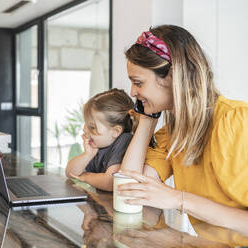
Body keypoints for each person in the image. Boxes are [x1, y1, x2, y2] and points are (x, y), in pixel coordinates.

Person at [117, 25, 248, 236]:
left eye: (138, 82)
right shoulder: (173, 134)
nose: (132, 92)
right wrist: (148, 119)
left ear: (171, 77)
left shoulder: (237, 123)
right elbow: (130, 188)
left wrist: (179, 198)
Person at [65, 88, 137, 191]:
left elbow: (110, 182)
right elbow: (70, 173)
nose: (85, 130)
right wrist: (87, 154)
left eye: (93, 127)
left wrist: (85, 176)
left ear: (116, 131)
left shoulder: (125, 141)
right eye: (87, 124)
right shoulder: (99, 146)